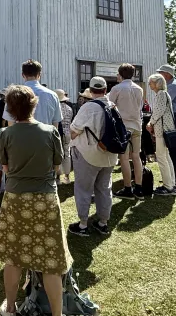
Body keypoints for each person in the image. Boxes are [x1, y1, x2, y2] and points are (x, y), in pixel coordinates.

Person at [0, 84, 71, 316]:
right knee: (50, 261)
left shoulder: (5, 135)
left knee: (13, 257)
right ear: (34, 105)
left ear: (10, 109)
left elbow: (5, 168)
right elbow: (57, 166)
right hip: (45, 199)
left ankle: (10, 308)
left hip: (16, 198)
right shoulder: (50, 132)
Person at [68, 77, 117, 236]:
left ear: (90, 90)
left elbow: (74, 130)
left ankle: (83, 224)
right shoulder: (113, 106)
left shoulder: (88, 107)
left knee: (83, 189)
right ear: (105, 90)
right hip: (109, 154)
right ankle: (103, 222)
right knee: (104, 188)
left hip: (88, 153)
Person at [109, 63, 145, 199]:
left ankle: (128, 188)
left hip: (123, 126)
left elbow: (110, 106)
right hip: (137, 124)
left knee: (124, 158)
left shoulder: (117, 88)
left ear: (120, 74)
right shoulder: (139, 89)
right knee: (136, 156)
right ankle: (139, 188)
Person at [146, 74, 176, 196]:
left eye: (151, 82)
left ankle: (168, 187)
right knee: (166, 157)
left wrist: (150, 122)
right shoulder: (163, 94)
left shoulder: (161, 94)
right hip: (165, 129)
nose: (149, 84)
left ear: (157, 83)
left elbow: (158, 111)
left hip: (162, 130)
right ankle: (171, 184)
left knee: (161, 157)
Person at [21, 60, 63, 139]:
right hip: (46, 139)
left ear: (23, 75)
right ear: (39, 75)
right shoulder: (52, 95)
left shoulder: (14, 94)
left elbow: (10, 123)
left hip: (21, 139)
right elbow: (55, 124)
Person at [54, 89, 73, 184]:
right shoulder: (69, 108)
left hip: (59, 132)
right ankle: (67, 177)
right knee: (67, 153)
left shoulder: (56, 108)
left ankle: (58, 178)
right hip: (68, 132)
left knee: (58, 154)